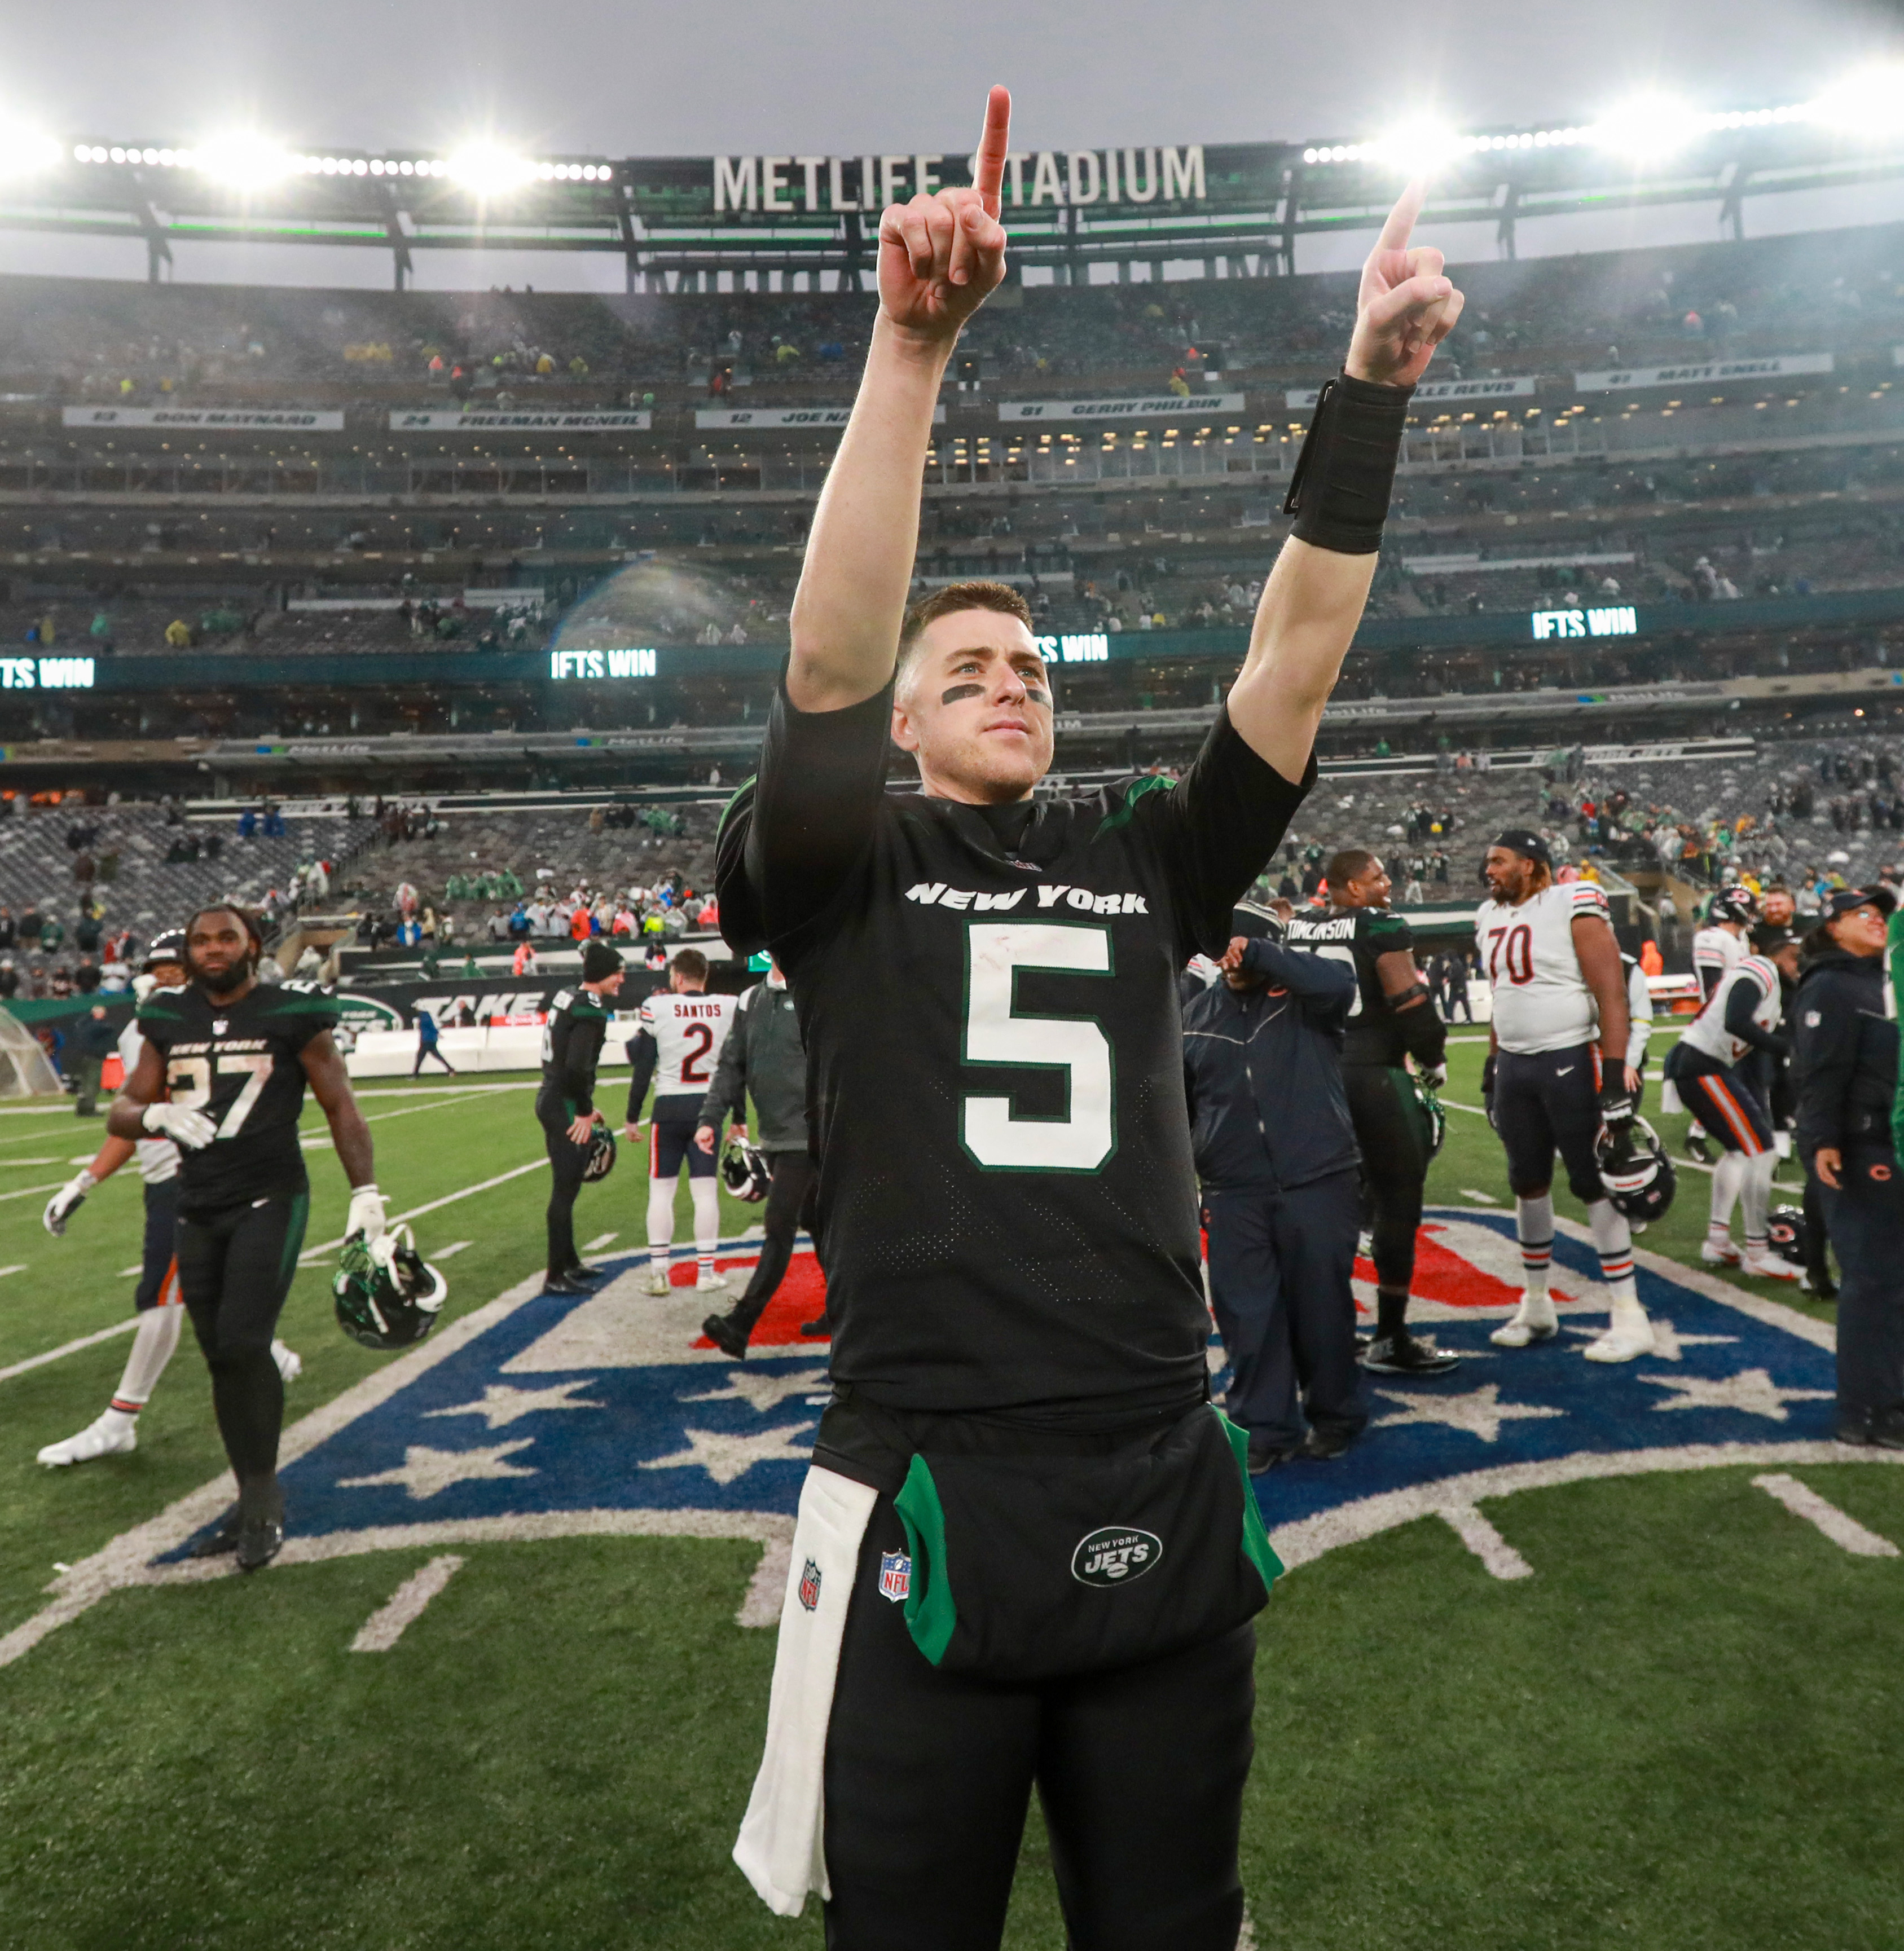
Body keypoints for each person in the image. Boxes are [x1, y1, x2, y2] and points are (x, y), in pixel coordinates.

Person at [720, 89, 1460, 1947]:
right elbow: (820, 659)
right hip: (920, 1463)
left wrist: (1365, 385)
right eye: (961, 667)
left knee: (1173, 1921)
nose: (1006, 682)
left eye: (1029, 665)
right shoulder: (840, 866)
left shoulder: (1144, 856)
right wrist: (908, 354)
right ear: (902, 723)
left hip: (1150, 1445)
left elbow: (1290, 656)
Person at [109, 905, 382, 1571]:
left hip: (270, 1196)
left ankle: (262, 1498)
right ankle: (249, 1492)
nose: (211, 949)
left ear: (252, 946)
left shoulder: (292, 1012)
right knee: (221, 1358)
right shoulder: (167, 1018)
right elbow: (122, 1109)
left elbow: (339, 1102)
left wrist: (366, 1192)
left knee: (244, 1341)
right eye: (201, 940)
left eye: (225, 937)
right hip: (197, 1203)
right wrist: (154, 1112)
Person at [37, 931, 304, 1466]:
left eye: (174, 968)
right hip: (166, 1179)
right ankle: (267, 1351)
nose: (166, 978)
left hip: (200, 1182)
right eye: (157, 969)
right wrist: (83, 1181)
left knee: (160, 1300)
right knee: (197, 1293)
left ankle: (121, 1418)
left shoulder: (224, 1020)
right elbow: (130, 1118)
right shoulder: (148, 1029)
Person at [1183, 913, 1366, 1470]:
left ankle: (1336, 1416)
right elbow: (1184, 1109)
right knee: (1246, 1315)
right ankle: (1266, 1428)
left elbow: (1341, 983)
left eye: (1241, 946)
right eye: (1224, 946)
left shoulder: (1308, 998)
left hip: (1318, 1178)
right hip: (1233, 1189)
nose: (1232, 957)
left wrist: (1264, 955)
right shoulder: (1192, 1017)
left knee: (1323, 1310)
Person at [1477, 830, 1655, 1362]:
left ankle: (1628, 1313)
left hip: (1569, 1059)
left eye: (1499, 861)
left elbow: (1610, 991)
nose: (1489, 870)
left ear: (1531, 866)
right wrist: (1492, 1066)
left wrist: (1615, 1072)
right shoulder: (1487, 915)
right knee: (1527, 1180)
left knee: (1596, 1181)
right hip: (1515, 1063)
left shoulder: (1573, 901)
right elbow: (1501, 996)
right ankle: (1536, 1303)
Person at [1288, 849, 1456, 1375]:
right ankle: (1389, 1336)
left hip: (1314, 1081)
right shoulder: (1380, 926)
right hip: (1374, 1076)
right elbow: (1407, 999)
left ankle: (1327, 1333)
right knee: (1396, 1202)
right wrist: (1432, 1056)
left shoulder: (1297, 928)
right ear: (1350, 888)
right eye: (1377, 876)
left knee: (1324, 1208)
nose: (1388, 882)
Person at [1794, 888, 1903, 1445]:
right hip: (1858, 1147)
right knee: (1874, 1278)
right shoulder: (1831, 985)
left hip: (1884, 1141)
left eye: (1884, 914)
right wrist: (1822, 1141)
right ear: (1834, 925)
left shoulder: (1876, 981)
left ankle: (1887, 1399)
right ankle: (1866, 1411)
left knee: (1890, 1279)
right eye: (1866, 914)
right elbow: (1819, 1070)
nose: (1879, 921)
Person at [697, 957, 820, 1358]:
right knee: (817, 1223)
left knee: (779, 1223)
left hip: (809, 1135)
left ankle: (741, 1324)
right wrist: (710, 1119)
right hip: (775, 1134)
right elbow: (732, 1065)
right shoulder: (750, 1000)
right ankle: (845, 1310)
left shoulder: (817, 990)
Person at [1663, 932, 1802, 1276]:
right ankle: (1756, 1252)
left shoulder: (1778, 990)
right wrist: (1786, 1049)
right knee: (1762, 1149)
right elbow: (1735, 1020)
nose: (1799, 966)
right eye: (1796, 957)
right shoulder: (1760, 968)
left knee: (1740, 1151)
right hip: (1701, 1063)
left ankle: (1718, 1240)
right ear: (1779, 953)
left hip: (1704, 1064)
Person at [624, 947, 737, 1296]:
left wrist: (632, 1115)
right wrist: (740, 1116)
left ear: (677, 975)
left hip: (668, 1107)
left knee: (662, 1191)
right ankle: (705, 1272)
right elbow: (736, 1065)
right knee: (704, 1191)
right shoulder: (726, 1006)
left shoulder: (657, 1007)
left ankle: (660, 1274)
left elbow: (644, 1067)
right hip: (708, 1108)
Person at [537, 939, 625, 1295]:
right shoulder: (589, 1008)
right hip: (564, 1103)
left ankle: (569, 1261)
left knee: (568, 1187)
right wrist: (584, 1110)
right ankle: (555, 1275)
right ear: (602, 973)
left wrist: (585, 1103)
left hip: (556, 1097)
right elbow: (575, 1067)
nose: (621, 979)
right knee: (565, 1189)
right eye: (617, 972)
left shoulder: (569, 996)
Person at [67, 1002, 119, 1117]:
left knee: (85, 1084)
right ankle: (89, 1109)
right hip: (93, 1057)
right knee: (92, 1084)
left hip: (82, 1056)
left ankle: (81, 1108)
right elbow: (109, 1028)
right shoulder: (95, 1026)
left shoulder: (82, 1024)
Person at [412, 1005, 456, 1076]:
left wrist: (437, 1033)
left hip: (427, 1040)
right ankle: (450, 1069)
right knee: (436, 1056)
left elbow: (430, 1026)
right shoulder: (427, 1016)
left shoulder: (424, 1017)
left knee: (420, 1057)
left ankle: (415, 1074)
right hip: (430, 1039)